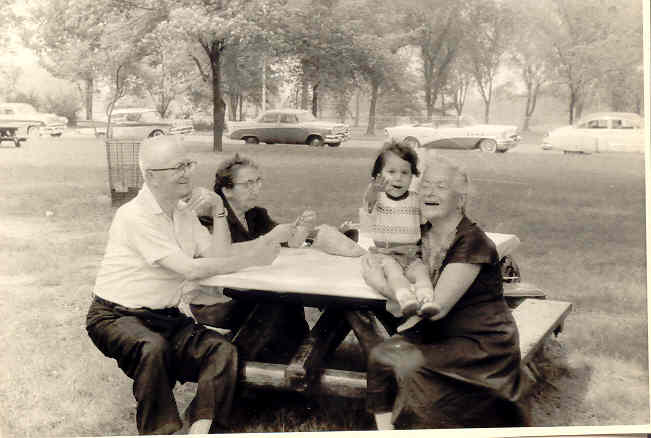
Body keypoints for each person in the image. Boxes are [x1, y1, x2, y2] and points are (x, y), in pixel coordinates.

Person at [86, 136, 280, 435]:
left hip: (165, 316)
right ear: (151, 176)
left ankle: (200, 431)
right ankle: (158, 432)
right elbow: (190, 268)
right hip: (116, 316)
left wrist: (218, 209)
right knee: (153, 350)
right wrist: (253, 258)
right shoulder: (134, 216)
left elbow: (218, 255)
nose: (187, 173)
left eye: (188, 164)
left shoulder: (183, 212)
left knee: (222, 351)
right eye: (177, 167)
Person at [361, 152, 530, 430]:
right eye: (425, 185)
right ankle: (385, 431)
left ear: (460, 199)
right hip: (440, 333)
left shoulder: (471, 242)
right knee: (381, 355)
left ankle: (430, 423)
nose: (429, 192)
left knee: (405, 362)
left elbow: (437, 307)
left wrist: (378, 283)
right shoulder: (421, 233)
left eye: (440, 187)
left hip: (482, 345)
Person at [193, 153, 314, 363]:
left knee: (289, 299)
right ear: (226, 189)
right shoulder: (211, 216)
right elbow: (221, 254)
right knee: (279, 302)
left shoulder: (256, 214)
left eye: (258, 182)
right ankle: (266, 366)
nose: (256, 188)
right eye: (248, 184)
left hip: (246, 290)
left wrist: (302, 228)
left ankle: (297, 359)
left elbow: (288, 242)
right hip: (218, 301)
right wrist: (268, 238)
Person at [361, 141, 438, 321]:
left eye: (405, 172)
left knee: (422, 274)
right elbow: (368, 203)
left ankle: (427, 300)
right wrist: (374, 189)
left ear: (413, 176)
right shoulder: (378, 198)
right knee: (394, 274)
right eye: (391, 172)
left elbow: (428, 220)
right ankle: (405, 299)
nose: (398, 178)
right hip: (386, 253)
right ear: (379, 175)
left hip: (412, 254)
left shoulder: (415, 199)